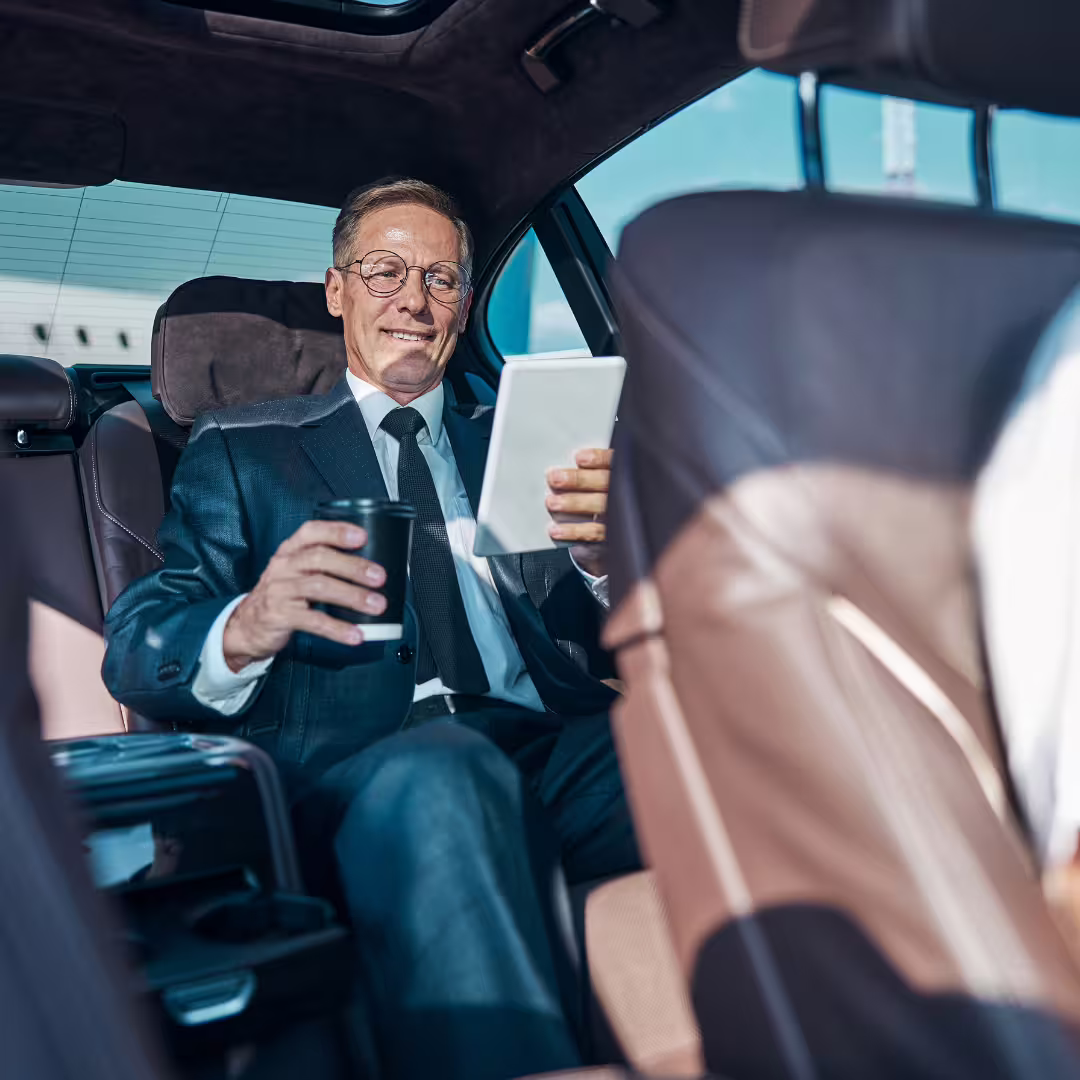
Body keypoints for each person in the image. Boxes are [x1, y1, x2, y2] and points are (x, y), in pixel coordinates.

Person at [103, 178, 640, 1080]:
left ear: (465, 309)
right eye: (385, 271)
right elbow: (139, 643)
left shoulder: (514, 432)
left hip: (548, 749)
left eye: (439, 280)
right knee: (450, 769)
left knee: (716, 747)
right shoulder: (243, 447)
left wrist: (604, 560)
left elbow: (596, 631)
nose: (412, 300)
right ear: (337, 289)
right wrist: (252, 620)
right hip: (361, 768)